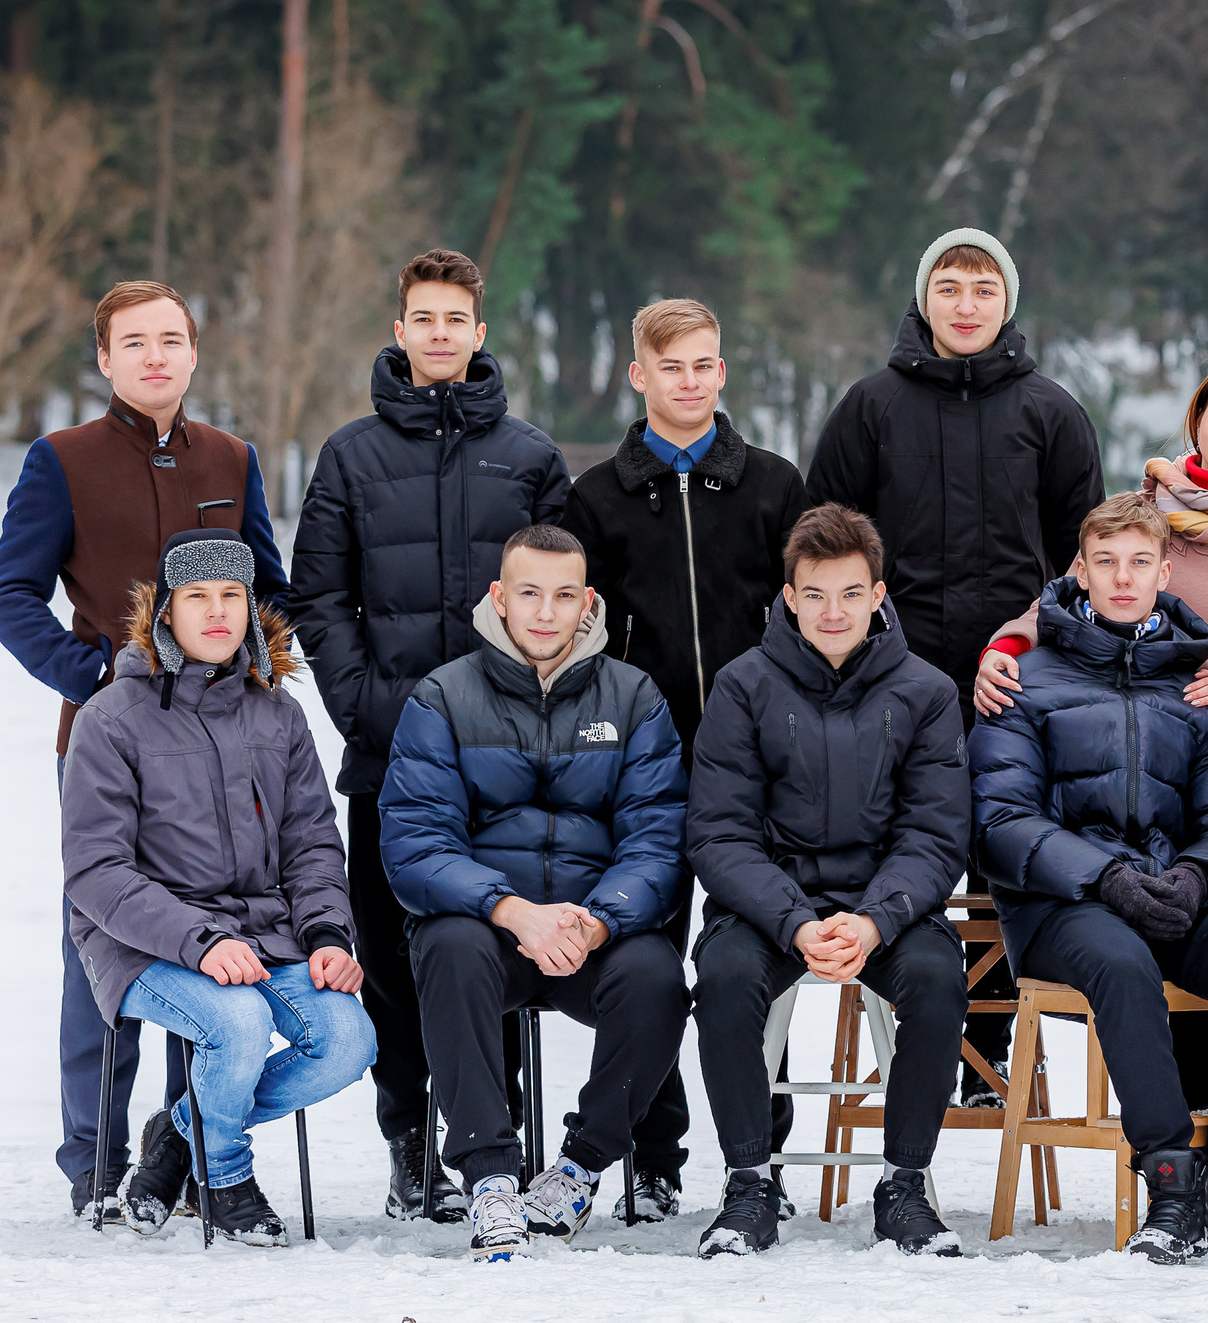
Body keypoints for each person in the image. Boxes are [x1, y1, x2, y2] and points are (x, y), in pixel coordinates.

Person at [0, 281, 289, 1221]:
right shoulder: (63, 460)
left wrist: (257, 680)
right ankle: (95, 1157)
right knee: (106, 941)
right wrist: (97, 679)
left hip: (219, 747)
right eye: (134, 342)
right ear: (106, 359)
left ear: (194, 354)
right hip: (107, 743)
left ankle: (184, 1145)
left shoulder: (232, 460)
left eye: (171, 339)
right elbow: (10, 598)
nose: (155, 356)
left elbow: (270, 596)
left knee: (206, 938)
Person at [976, 354, 1208, 1110]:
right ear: (1196, 421)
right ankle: (1184, 1149)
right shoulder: (1153, 514)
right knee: (1156, 955)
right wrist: (1005, 647)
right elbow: (1088, 592)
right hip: (1143, 733)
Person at [291, 247, 570, 1224]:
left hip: (507, 763)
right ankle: (411, 1148)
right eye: (425, 318)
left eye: (458, 318)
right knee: (396, 963)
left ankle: (494, 1147)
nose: (441, 333)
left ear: (478, 332)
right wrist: (368, 703)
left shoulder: (531, 459)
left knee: (489, 951)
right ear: (400, 329)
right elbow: (317, 598)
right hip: (388, 755)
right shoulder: (349, 457)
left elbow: (567, 602)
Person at [969, 492, 1208, 1265]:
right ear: (1080, 570)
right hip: (1064, 906)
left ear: (1164, 569)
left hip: (1175, 898)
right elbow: (999, 822)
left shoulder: (1197, 688)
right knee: (1123, 967)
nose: (1122, 578)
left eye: (1138, 562)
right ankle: (1171, 1184)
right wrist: (1107, 876)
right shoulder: (1026, 678)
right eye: (1106, 562)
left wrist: (1195, 875)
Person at [808, 228, 1105, 1109]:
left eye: (982, 287)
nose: (966, 303)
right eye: (949, 287)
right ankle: (909, 1031)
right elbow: (821, 541)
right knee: (908, 847)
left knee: (1002, 852)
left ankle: (986, 1047)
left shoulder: (1050, 411)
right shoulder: (870, 406)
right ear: (923, 299)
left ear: (1006, 302)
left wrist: (1048, 652)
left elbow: (1083, 558)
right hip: (891, 678)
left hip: (1015, 679)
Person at [379, 525, 692, 1261]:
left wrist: (599, 922)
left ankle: (578, 1169)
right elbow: (416, 847)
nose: (546, 613)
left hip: (590, 930)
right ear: (499, 598)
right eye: (529, 594)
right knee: (446, 945)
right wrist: (511, 909)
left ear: (588, 603)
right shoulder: (443, 696)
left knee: (657, 977)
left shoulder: (633, 695)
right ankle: (491, 1180)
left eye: (562, 596)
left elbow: (658, 841)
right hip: (490, 929)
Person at [562, 295, 808, 1223]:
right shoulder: (596, 498)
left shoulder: (775, 485)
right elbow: (582, 634)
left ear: (722, 370)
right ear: (640, 376)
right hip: (645, 764)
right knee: (650, 958)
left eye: (705, 365)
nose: (691, 382)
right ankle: (654, 1155)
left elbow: (805, 613)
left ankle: (763, 1158)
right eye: (672, 368)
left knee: (759, 956)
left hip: (758, 765)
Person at [60, 529, 374, 1246]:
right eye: (197, 596)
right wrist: (201, 942)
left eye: (231, 595)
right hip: (144, 942)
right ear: (165, 611)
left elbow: (312, 845)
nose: (217, 612)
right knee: (233, 1026)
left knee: (348, 1039)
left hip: (265, 935)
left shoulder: (279, 714)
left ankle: (176, 1135)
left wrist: (327, 935)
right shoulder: (112, 717)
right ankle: (226, 1177)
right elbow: (95, 871)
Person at [685, 505, 971, 1257]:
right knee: (723, 976)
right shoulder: (742, 685)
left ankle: (904, 1184)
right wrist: (794, 921)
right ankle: (750, 1182)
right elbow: (719, 832)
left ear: (879, 594)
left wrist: (875, 920)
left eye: (850, 593)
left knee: (940, 977)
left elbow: (936, 833)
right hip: (772, 905)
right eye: (814, 594)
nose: (833, 611)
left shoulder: (927, 691)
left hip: (888, 905)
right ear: (788, 597)